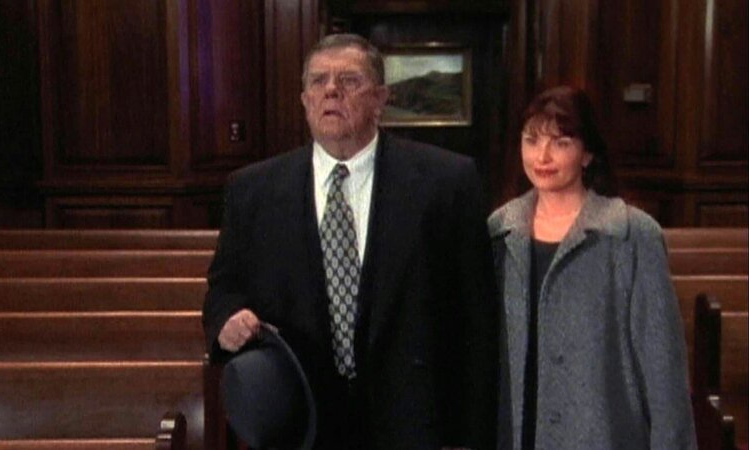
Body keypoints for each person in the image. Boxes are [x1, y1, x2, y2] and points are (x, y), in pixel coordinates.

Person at [203, 33, 499, 450]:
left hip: (415, 423)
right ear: (305, 100)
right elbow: (223, 289)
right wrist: (227, 319)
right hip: (302, 423)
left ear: (380, 98)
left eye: (349, 80)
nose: (331, 91)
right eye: (318, 81)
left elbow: (478, 321)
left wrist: (472, 438)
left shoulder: (447, 182)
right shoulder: (253, 191)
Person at [488, 85, 696, 450]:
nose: (543, 156)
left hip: (604, 434)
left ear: (586, 154)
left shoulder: (631, 235)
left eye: (561, 142)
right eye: (532, 141)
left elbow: (663, 366)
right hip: (515, 432)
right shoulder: (500, 231)